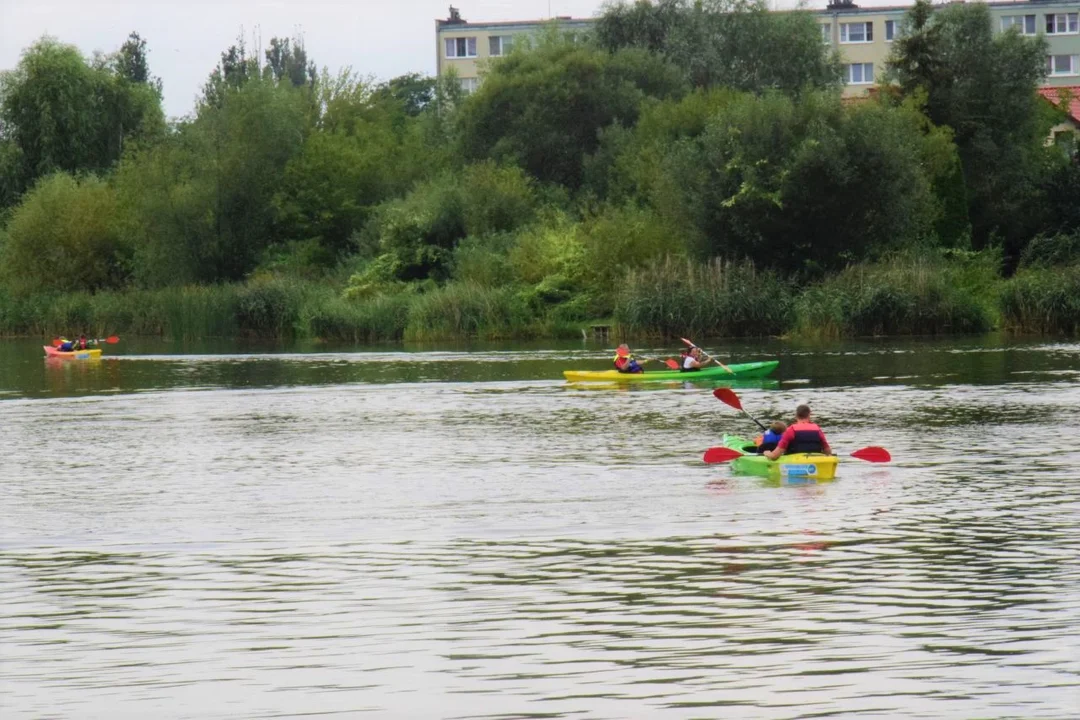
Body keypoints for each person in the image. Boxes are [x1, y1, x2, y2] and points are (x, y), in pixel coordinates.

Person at [765, 404, 831, 460]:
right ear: (809, 415)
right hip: (814, 460)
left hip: (795, 461)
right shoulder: (817, 429)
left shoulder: (791, 430)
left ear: (796, 415)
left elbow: (774, 456)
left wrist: (767, 453)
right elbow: (827, 451)